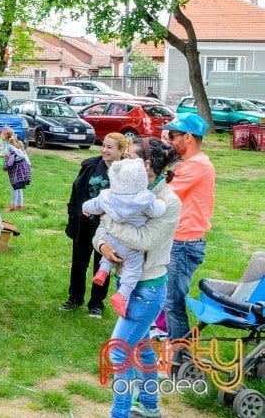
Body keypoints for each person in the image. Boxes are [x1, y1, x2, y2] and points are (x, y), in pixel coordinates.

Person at [95, 136, 181, 418]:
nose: (124, 161)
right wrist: (103, 245)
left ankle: (119, 414)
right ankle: (149, 406)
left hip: (147, 289)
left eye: (130, 156)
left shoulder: (168, 201)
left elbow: (144, 239)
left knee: (118, 352)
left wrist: (108, 221)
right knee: (143, 349)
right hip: (128, 284)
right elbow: (101, 230)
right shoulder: (126, 185)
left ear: (146, 164)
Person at [82, 158, 166, 318]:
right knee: (134, 268)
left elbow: (92, 205)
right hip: (131, 245)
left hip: (113, 239)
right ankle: (122, 295)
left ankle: (103, 271)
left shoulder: (107, 196)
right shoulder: (145, 199)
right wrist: (161, 202)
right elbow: (157, 211)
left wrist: (86, 209)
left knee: (109, 253)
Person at [160, 113, 215, 343]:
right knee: (170, 300)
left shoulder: (196, 166)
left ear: (189, 137)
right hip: (179, 241)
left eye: (173, 136)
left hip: (184, 244)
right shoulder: (189, 164)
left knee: (173, 303)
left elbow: (163, 194)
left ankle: (181, 357)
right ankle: (176, 348)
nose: (170, 141)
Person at [61, 132, 129, 318]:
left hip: (108, 229)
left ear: (121, 150)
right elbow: (76, 191)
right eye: (104, 145)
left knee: (102, 265)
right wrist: (73, 213)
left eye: (109, 147)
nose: (104, 150)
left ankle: (96, 304)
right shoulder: (90, 165)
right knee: (78, 263)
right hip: (83, 224)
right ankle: (74, 298)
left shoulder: (126, 172)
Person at [0, 128, 30, 211]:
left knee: (15, 186)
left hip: (18, 168)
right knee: (18, 186)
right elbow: (11, 153)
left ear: (5, 135)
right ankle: (20, 204)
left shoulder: (10, 144)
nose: (0, 135)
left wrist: (13, 160)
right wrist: (4, 156)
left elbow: (21, 155)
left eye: (2, 134)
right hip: (18, 167)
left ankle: (13, 205)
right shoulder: (10, 143)